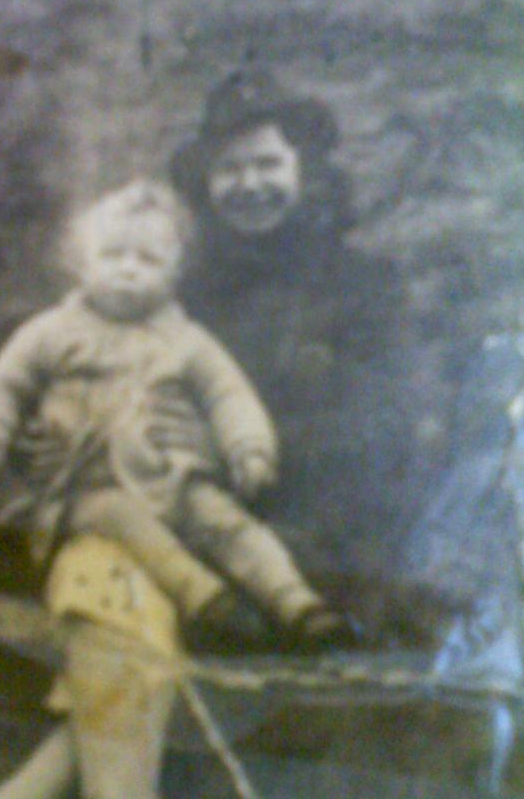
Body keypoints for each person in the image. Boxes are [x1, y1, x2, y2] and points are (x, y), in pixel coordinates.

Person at [0, 179, 353, 651]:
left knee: (224, 521)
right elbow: (2, 393)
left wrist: (250, 450)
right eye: (113, 255)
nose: (128, 271)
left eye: (148, 260)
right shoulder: (49, 333)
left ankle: (298, 604)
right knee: (119, 516)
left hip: (172, 475)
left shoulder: (187, 339)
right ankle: (208, 600)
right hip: (85, 488)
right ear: (81, 263)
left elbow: (230, 397)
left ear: (174, 272)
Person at [168, 66, 415, 633]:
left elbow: (386, 428)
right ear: (205, 186)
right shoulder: (182, 296)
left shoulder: (366, 283)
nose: (250, 184)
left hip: (332, 529)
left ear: (306, 173)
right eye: (230, 168)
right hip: (207, 524)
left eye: (268, 163)